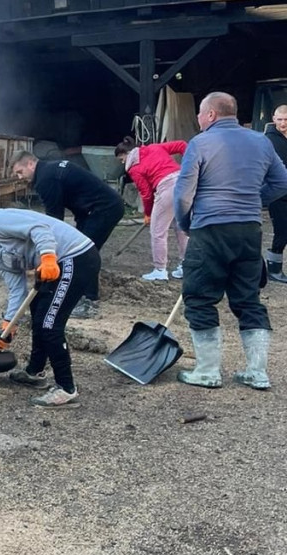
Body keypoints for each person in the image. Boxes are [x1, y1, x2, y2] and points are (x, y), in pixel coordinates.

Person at [173, 91, 287, 390]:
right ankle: (257, 372)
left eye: (200, 112)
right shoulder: (261, 141)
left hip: (210, 229)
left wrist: (186, 223)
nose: (198, 118)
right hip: (249, 230)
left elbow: (184, 192)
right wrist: (253, 201)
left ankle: (208, 371)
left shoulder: (200, 143)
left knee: (199, 298)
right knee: (249, 299)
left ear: (210, 114)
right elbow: (283, 181)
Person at [0, 208, 100, 409]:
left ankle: (66, 388)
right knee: (38, 314)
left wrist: (47, 257)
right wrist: (8, 326)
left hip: (75, 256)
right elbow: (17, 290)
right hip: (54, 266)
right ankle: (34, 372)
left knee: (49, 324)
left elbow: (39, 228)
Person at [11, 150, 123, 319]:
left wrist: (47, 250)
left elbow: (54, 219)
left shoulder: (45, 179)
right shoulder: (49, 170)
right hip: (91, 211)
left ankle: (88, 301)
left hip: (104, 209)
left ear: (31, 164)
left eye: (20, 172)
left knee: (84, 253)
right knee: (79, 249)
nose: (20, 178)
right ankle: (79, 293)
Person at [114, 136, 190, 281]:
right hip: (184, 183)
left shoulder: (134, 168)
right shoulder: (154, 147)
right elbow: (181, 144)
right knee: (181, 227)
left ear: (126, 154)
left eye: (121, 159)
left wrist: (148, 214)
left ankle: (160, 269)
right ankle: (186, 266)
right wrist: (189, 166)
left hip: (166, 188)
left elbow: (146, 194)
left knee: (157, 231)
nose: (122, 162)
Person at [265, 104, 287, 284]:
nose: (283, 123)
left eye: (286, 120)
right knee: (283, 231)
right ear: (273, 120)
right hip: (278, 193)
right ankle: (273, 268)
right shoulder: (269, 140)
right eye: (279, 120)